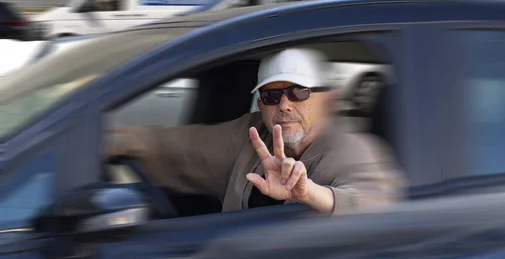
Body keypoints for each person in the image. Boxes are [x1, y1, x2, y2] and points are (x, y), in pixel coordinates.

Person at [104, 47, 406, 215]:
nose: (284, 105)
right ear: (260, 105)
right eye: (271, 96)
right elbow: (175, 147)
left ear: (327, 99)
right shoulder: (252, 134)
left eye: (298, 92)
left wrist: (308, 193)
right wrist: (97, 139)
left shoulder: (352, 148)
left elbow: (376, 206)